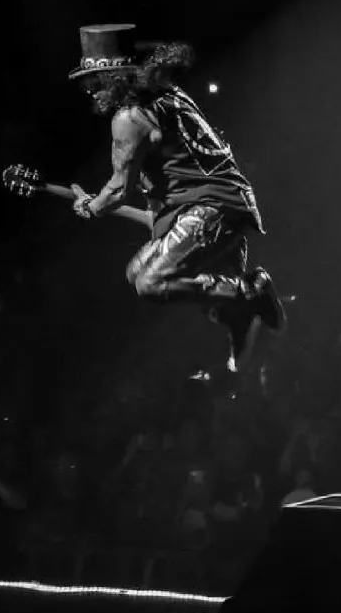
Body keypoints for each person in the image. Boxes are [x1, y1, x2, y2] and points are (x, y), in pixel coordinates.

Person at [69, 23, 286, 371]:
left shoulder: (128, 118)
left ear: (118, 76)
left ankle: (249, 294)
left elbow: (118, 188)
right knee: (137, 269)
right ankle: (239, 314)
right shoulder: (169, 95)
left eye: (95, 80)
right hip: (222, 205)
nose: (89, 89)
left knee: (149, 281)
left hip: (210, 209)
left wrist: (91, 208)